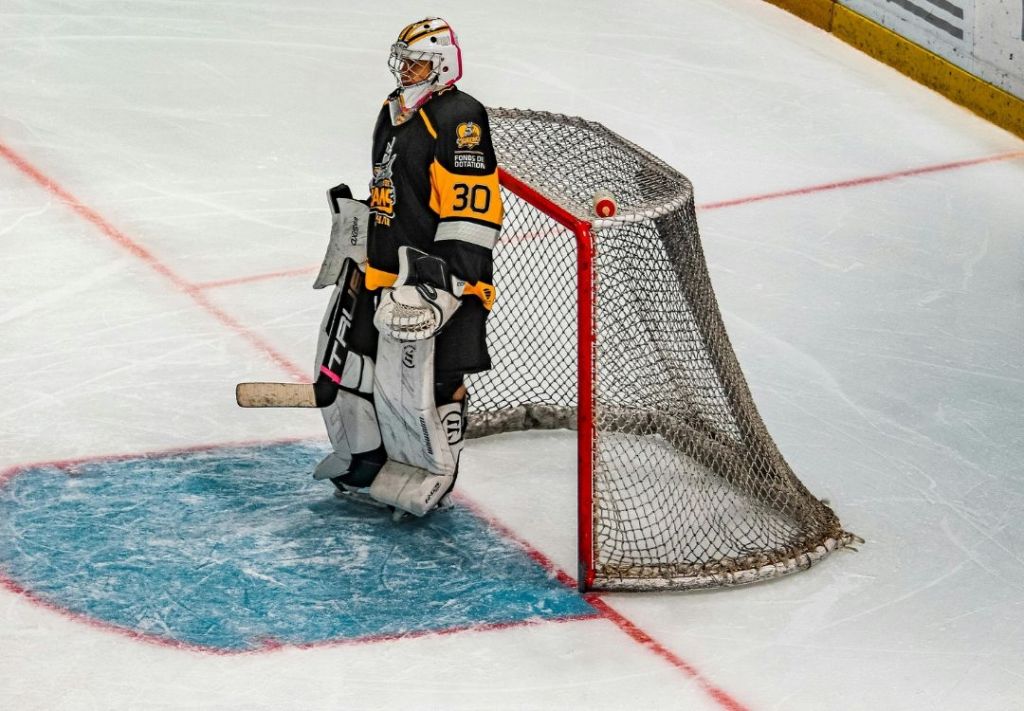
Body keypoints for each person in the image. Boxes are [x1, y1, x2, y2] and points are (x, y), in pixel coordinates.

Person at [309, 17, 502, 518]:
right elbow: (388, 188)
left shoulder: (461, 118)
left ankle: (438, 469)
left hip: (440, 284)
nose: (406, 72)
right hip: (385, 275)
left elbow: (471, 209)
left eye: (417, 63)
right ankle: (370, 458)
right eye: (404, 62)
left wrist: (446, 284)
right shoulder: (393, 112)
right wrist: (361, 237)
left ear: (442, 66)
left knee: (440, 379)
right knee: (362, 366)